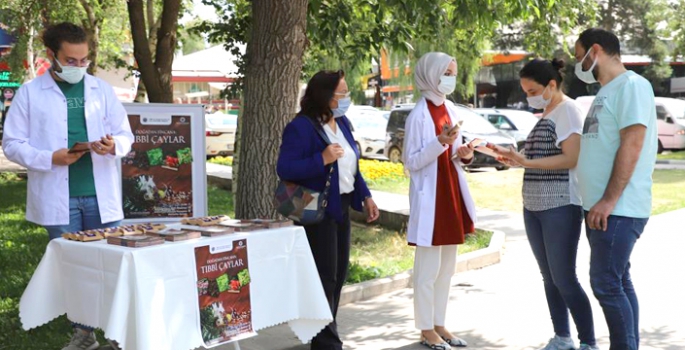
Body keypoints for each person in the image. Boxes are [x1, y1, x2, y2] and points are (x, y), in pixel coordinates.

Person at [1, 22, 133, 350]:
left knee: (112, 268)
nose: (78, 67)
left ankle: (117, 335)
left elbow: (125, 135)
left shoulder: (101, 90)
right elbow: (12, 143)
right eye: (70, 60)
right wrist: (50, 158)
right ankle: (84, 335)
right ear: (51, 55)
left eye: (83, 60)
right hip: (59, 201)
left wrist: (111, 144)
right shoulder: (30, 93)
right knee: (73, 272)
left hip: (101, 196)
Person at [493, 58, 598, 350]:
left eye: (532, 90)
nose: (529, 97)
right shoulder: (547, 112)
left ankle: (589, 342)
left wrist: (527, 160)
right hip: (534, 206)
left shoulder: (568, 110)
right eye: (525, 91)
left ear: (552, 85)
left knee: (564, 278)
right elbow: (539, 160)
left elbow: (571, 158)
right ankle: (562, 338)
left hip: (560, 205)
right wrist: (514, 159)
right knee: (549, 277)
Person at [276, 70, 380, 350]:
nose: (346, 98)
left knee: (338, 275)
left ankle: (324, 336)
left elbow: (352, 167)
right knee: (324, 277)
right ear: (324, 96)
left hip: (342, 207)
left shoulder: (343, 122)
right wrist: (321, 159)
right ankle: (327, 343)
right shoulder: (301, 127)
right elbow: (284, 168)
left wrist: (366, 196)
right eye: (342, 94)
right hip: (316, 211)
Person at [574, 28, 657, 350]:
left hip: (617, 208)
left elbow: (632, 143)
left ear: (595, 51)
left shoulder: (633, 85)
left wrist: (608, 200)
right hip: (601, 207)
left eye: (579, 54)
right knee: (619, 281)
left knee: (606, 284)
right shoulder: (606, 91)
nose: (578, 63)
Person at [403, 52, 477, 350]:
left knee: (447, 268)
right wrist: (440, 143)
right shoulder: (417, 115)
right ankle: (425, 329)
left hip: (450, 195)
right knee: (427, 271)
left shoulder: (449, 108)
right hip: (431, 199)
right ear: (431, 74)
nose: (451, 78)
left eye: (453, 72)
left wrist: (465, 154)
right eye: (446, 72)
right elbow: (411, 161)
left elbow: (455, 151)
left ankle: (439, 323)